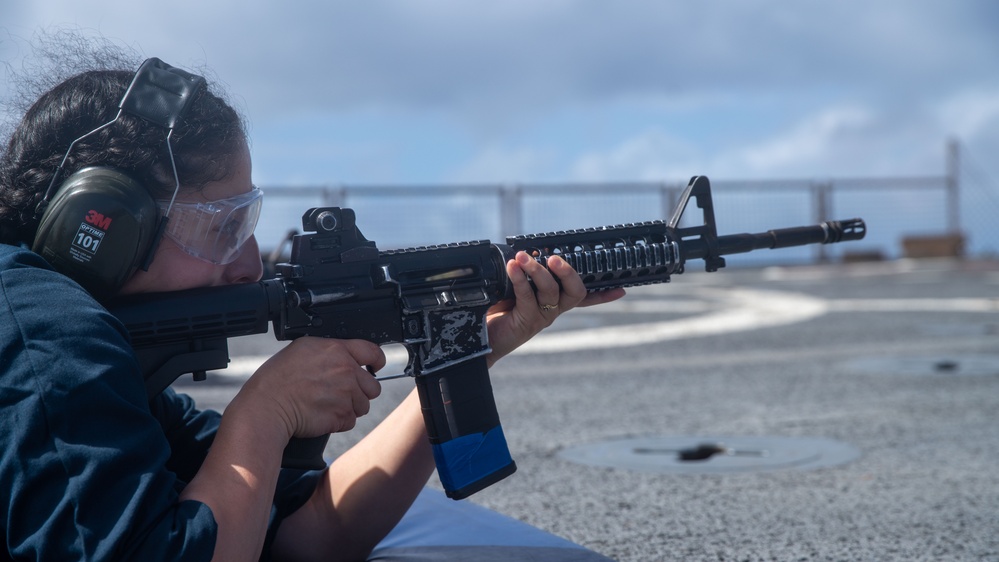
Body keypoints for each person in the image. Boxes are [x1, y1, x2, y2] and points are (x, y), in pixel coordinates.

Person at [0, 43, 625, 560]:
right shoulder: (45, 336)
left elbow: (307, 537)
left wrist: (473, 344)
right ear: (103, 228)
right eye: (220, 229)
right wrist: (266, 412)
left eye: (249, 224)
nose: (250, 262)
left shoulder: (103, 371)